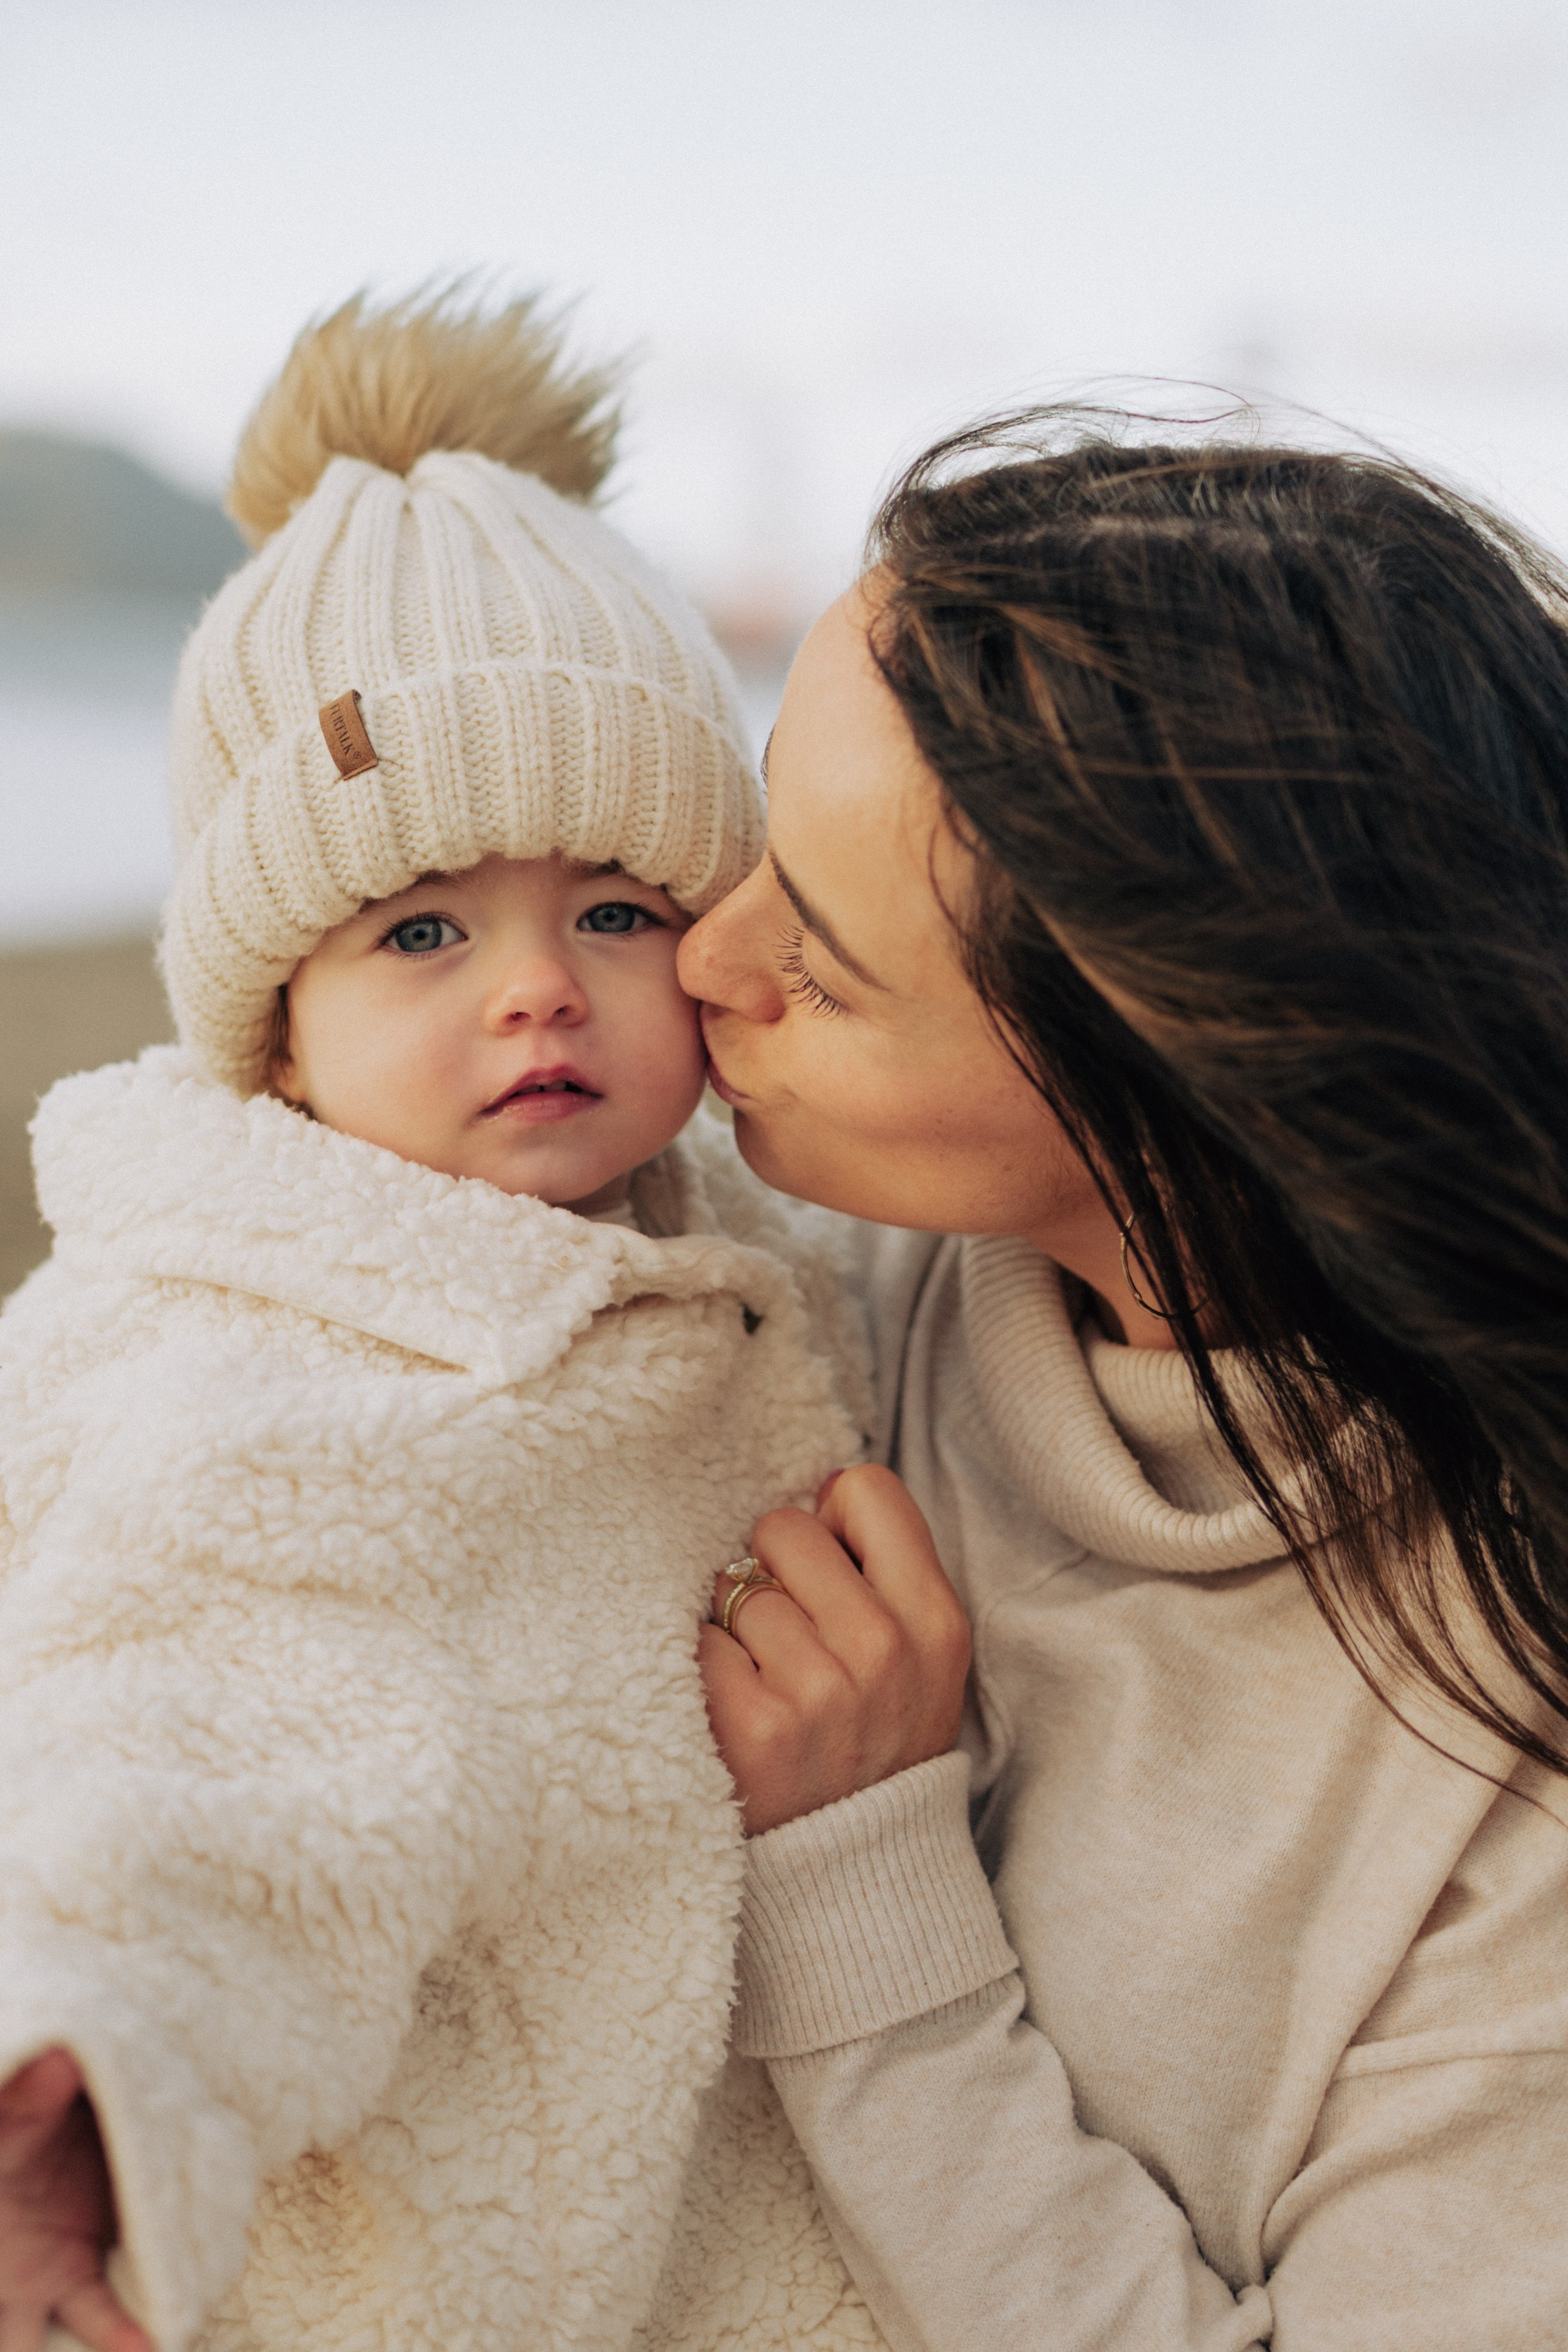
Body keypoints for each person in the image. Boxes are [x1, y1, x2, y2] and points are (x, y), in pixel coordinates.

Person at [0, 293, 905, 2352]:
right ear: (278, 1038)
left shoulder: (754, 1249)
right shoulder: (256, 1353)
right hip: (414, 2256)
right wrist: (79, 2082)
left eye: (615, 907)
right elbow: (177, 1745)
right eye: (422, 928)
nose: (534, 988)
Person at [681, 416, 1568, 2351]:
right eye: (758, 834)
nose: (701, 955)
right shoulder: (797, 1283)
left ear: (1199, 1082)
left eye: (817, 963)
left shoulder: (1515, 1761)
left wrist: (866, 1913)